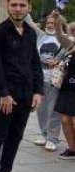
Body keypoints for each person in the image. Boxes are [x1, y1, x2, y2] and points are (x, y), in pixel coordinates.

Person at [0, 0, 43, 172]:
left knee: (16, 135)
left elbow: (35, 63)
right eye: (14, 5)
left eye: (22, 5)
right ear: (8, 7)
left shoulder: (30, 32)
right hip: (5, 93)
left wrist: (38, 90)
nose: (18, 9)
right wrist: (3, 93)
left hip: (26, 92)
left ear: (28, 8)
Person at [32, 14, 64, 151]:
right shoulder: (41, 36)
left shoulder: (65, 38)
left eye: (54, 23)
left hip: (55, 79)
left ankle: (53, 138)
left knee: (53, 110)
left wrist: (58, 60)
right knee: (41, 109)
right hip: (39, 77)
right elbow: (28, 20)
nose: (50, 25)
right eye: (49, 22)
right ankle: (44, 134)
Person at [53, 12, 75, 160]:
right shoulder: (70, 46)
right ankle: (72, 149)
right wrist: (57, 22)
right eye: (73, 32)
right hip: (67, 88)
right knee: (65, 120)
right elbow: (60, 35)